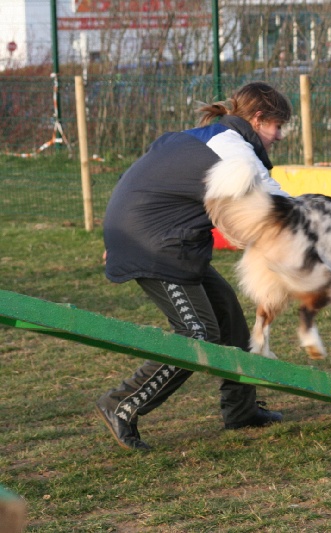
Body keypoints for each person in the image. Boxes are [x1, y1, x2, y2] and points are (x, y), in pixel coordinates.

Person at [96, 82, 293, 451]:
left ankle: (241, 410)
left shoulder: (210, 137)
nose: (279, 136)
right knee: (197, 333)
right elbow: (273, 200)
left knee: (230, 318)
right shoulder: (230, 147)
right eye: (277, 127)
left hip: (169, 239)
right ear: (259, 118)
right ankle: (121, 403)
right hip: (153, 243)